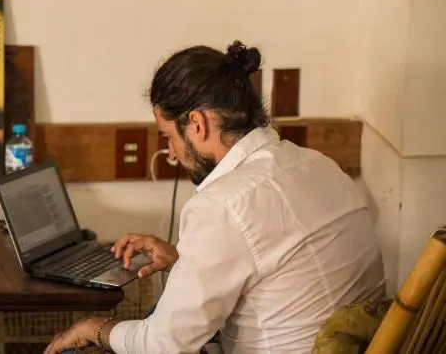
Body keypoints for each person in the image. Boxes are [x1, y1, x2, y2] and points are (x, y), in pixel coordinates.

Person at [45, 41, 385, 354]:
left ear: (197, 124)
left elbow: (165, 345)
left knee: (85, 346)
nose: (172, 153)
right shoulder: (318, 165)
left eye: (168, 136)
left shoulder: (222, 205)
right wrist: (184, 260)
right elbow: (273, 267)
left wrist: (94, 328)